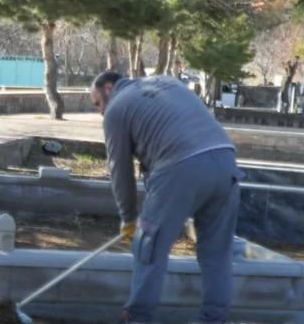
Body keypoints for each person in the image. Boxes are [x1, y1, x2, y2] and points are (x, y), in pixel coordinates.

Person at [90, 72, 244, 324]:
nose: (100, 112)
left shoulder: (116, 108)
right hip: (226, 162)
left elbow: (120, 171)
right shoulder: (168, 81)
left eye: (97, 103)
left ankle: (137, 318)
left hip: (180, 167)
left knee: (148, 247)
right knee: (217, 253)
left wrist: (128, 219)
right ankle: (213, 319)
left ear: (109, 88)